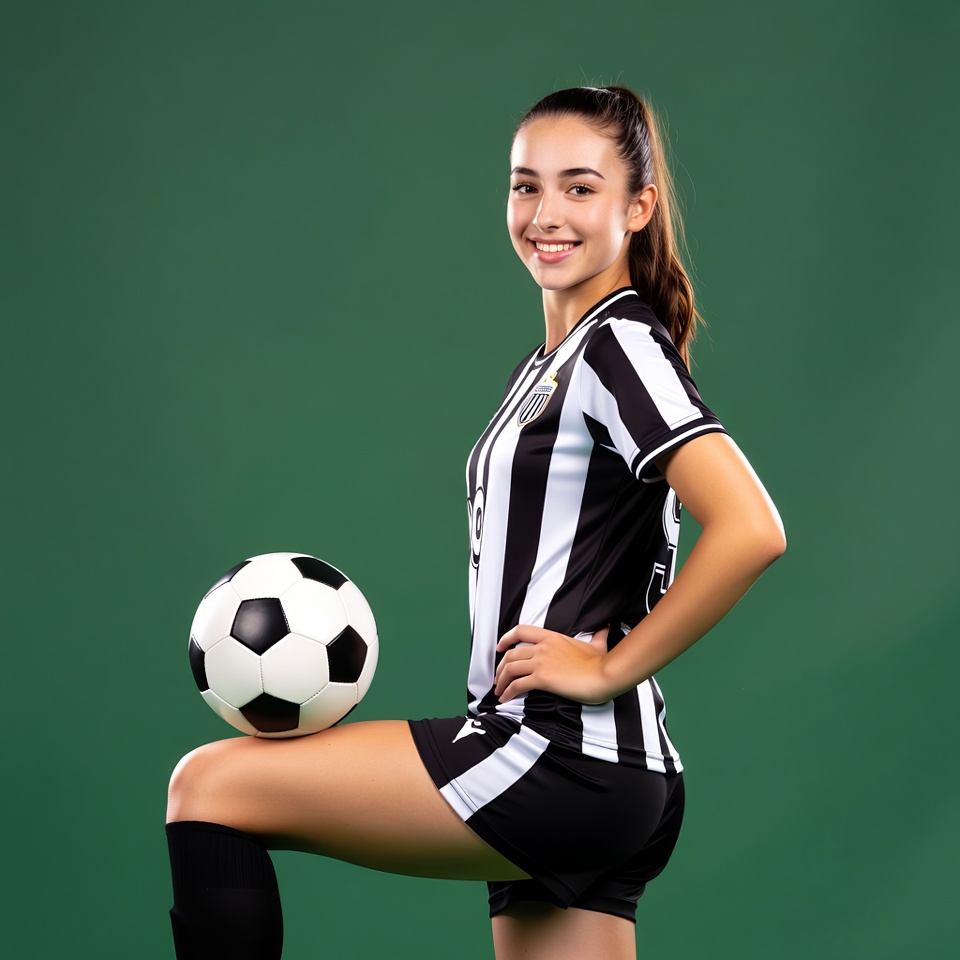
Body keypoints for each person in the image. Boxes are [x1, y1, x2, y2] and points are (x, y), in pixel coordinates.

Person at [166, 85, 786, 960]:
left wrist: (608, 668)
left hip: (557, 755)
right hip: (606, 776)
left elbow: (752, 527)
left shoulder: (617, 347)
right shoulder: (554, 364)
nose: (545, 214)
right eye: (525, 185)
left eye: (579, 187)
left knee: (210, 785)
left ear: (637, 207)